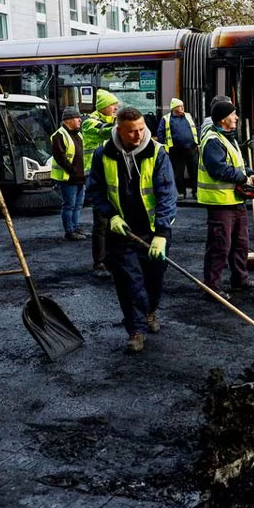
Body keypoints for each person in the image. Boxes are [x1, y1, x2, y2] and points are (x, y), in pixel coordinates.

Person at [86, 107, 177, 354]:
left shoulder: (157, 153)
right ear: (119, 130)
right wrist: (111, 215)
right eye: (132, 132)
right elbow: (95, 190)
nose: (138, 136)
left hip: (153, 230)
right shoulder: (102, 154)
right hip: (122, 231)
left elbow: (167, 195)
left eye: (141, 129)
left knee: (154, 278)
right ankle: (135, 329)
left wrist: (161, 232)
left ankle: (149, 311)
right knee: (128, 282)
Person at [197, 101, 254, 299]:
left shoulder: (228, 138)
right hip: (220, 202)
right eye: (233, 115)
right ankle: (211, 287)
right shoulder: (212, 140)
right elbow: (217, 169)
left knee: (240, 243)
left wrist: (251, 174)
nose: (236, 118)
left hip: (234, 200)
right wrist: (244, 178)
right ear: (223, 119)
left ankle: (240, 280)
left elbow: (240, 164)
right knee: (220, 245)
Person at [82, 89, 119, 277]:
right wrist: (122, 121)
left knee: (115, 219)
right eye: (113, 104)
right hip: (96, 177)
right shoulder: (89, 122)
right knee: (102, 222)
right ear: (103, 106)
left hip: (111, 176)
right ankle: (100, 263)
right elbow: (107, 132)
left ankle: (111, 258)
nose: (116, 108)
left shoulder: (109, 121)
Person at [51, 107, 87, 241]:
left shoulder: (78, 134)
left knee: (77, 205)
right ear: (68, 120)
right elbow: (60, 157)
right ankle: (70, 231)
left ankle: (75, 227)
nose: (80, 120)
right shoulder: (59, 135)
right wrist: (73, 170)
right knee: (69, 205)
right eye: (77, 118)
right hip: (68, 178)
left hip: (79, 177)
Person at [156, 98, 199, 200]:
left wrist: (198, 142)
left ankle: (196, 191)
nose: (183, 107)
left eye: (182, 105)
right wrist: (164, 147)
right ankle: (180, 192)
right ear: (174, 108)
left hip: (191, 148)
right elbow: (160, 133)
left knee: (194, 171)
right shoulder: (166, 118)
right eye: (180, 106)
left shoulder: (188, 116)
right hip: (176, 150)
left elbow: (196, 128)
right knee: (178, 172)